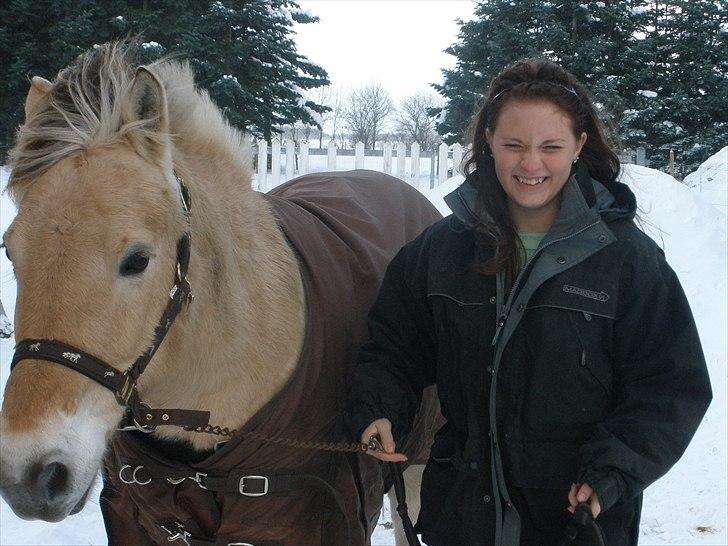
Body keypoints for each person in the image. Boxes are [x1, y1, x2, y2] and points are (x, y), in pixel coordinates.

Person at [345, 58, 712, 546]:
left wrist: (612, 472)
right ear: (488, 143)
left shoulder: (627, 260)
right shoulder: (440, 251)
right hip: (463, 515)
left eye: (551, 146)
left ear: (579, 146)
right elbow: (393, 345)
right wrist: (378, 407)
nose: (531, 163)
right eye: (513, 144)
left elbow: (669, 388)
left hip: (574, 520)